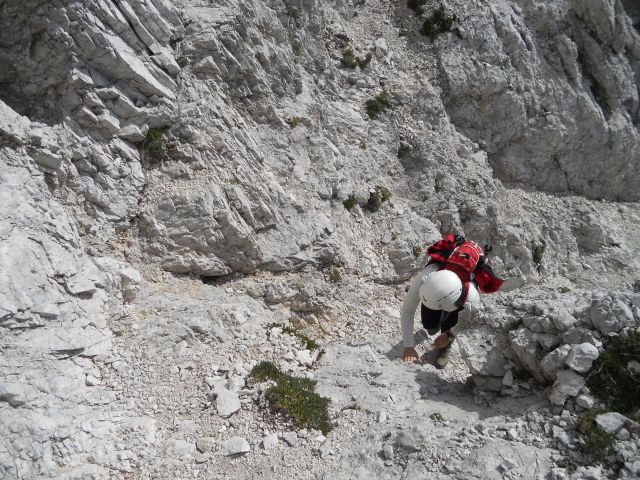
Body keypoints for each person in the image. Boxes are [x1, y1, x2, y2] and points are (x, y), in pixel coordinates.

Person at [400, 233, 504, 368]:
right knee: (429, 325)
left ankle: (445, 348)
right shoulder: (425, 277)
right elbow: (408, 310)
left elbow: (467, 321)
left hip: (458, 302)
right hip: (436, 296)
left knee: (450, 324)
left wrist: (449, 335)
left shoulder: (471, 298)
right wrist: (408, 345)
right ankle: (435, 325)